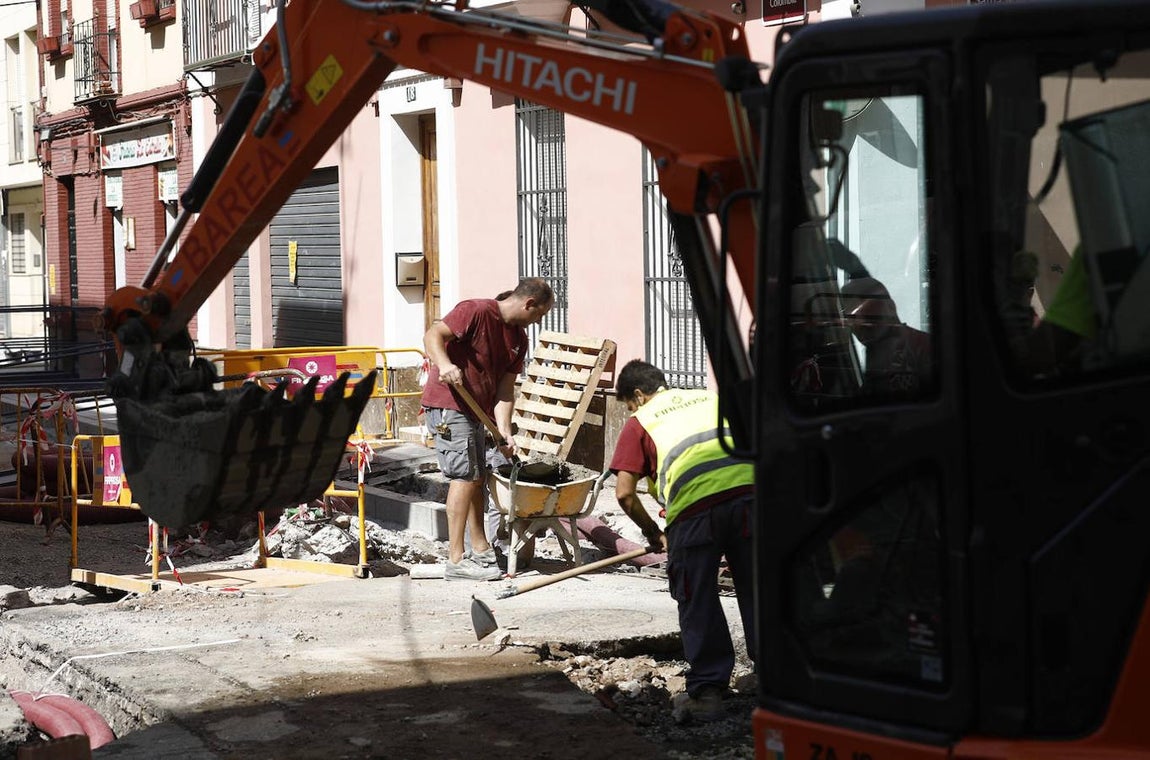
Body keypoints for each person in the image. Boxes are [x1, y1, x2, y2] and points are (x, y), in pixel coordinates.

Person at [609, 360, 755, 723]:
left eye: (628, 404)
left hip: (695, 512)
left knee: (696, 596)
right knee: (761, 590)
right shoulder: (711, 398)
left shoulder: (641, 421)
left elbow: (625, 494)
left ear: (638, 395)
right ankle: (777, 681)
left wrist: (653, 533)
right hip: (753, 499)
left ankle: (708, 692)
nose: (631, 410)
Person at [422, 278, 554, 581]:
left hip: (477, 411)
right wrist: (444, 364)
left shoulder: (518, 340)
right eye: (539, 314)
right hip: (449, 404)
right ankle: (456, 559)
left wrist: (503, 431)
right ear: (528, 303)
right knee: (464, 476)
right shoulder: (477, 310)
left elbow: (505, 391)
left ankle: (480, 549)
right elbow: (433, 335)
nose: (537, 321)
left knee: (477, 476)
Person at [840, 276, 934, 396]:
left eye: (867, 310)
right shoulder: (874, 358)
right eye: (851, 318)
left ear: (891, 307)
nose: (859, 323)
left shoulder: (926, 348)